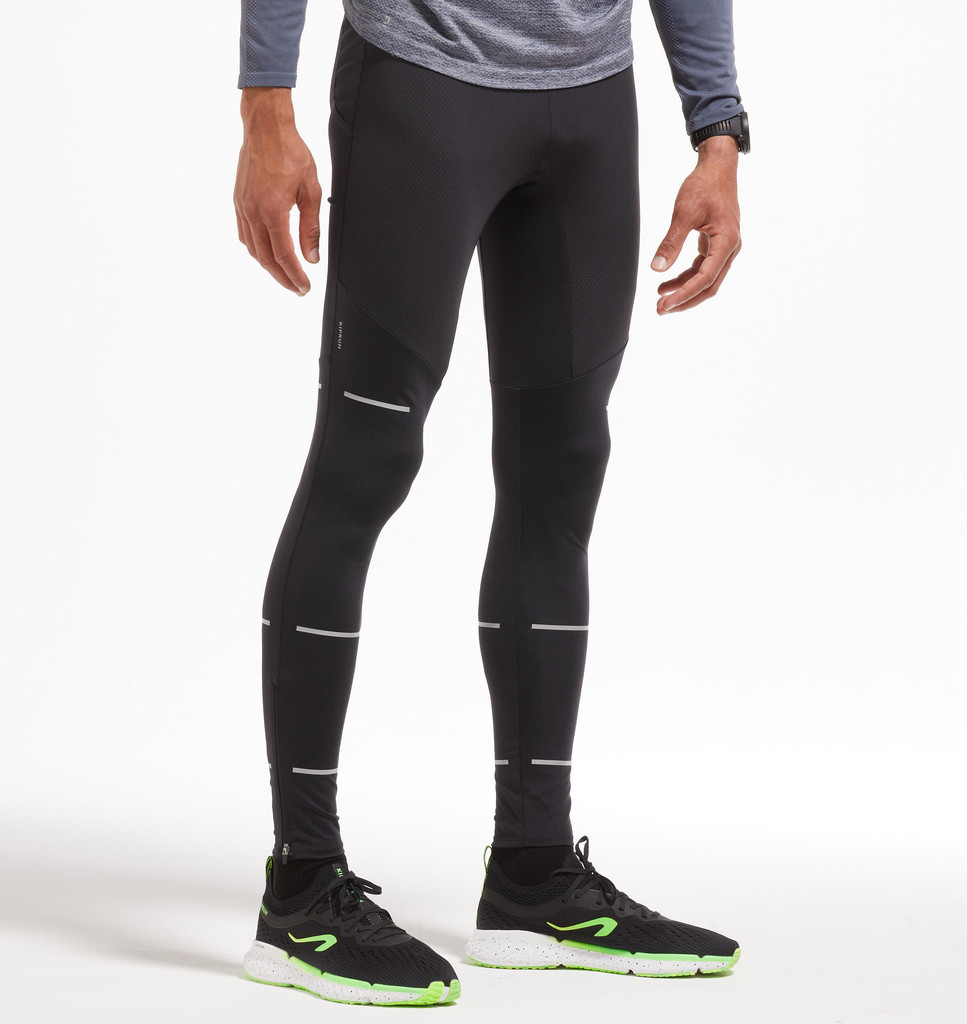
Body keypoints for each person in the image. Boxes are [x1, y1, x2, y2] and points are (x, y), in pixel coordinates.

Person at [233, 0, 749, 1006]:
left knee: (561, 470)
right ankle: (300, 887)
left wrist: (717, 129)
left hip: (591, 100)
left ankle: (534, 875)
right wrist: (266, 105)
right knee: (364, 459)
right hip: (421, 83)